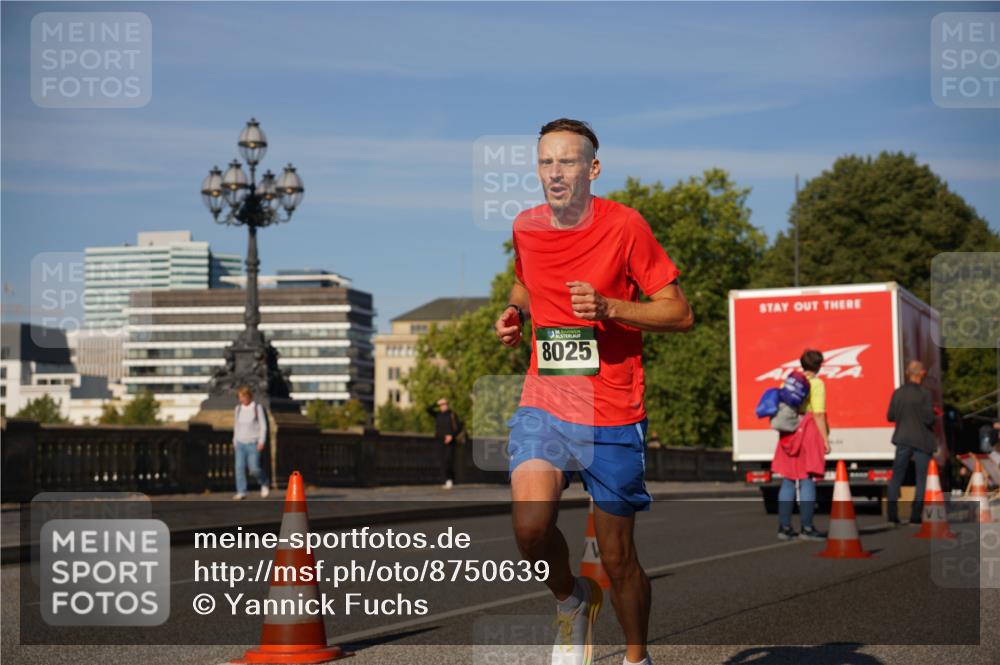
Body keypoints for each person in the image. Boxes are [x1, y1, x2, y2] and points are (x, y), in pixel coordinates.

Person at [495, 118, 693, 665]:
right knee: (530, 528)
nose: (555, 172)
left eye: (567, 161)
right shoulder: (526, 226)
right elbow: (525, 281)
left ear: (593, 169)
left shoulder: (626, 226)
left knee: (617, 557)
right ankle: (571, 599)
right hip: (545, 400)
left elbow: (679, 313)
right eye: (546, 162)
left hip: (612, 409)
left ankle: (636, 657)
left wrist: (610, 308)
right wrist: (513, 312)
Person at [770, 350, 829, 541]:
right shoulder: (817, 384)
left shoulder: (788, 382)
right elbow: (818, 414)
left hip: (789, 432)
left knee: (788, 479)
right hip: (808, 430)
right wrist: (825, 439)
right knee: (807, 478)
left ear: (802, 364)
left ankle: (784, 527)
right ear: (818, 366)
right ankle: (807, 527)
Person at [886, 360, 938, 525]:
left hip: (902, 439)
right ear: (921, 373)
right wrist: (935, 415)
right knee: (921, 478)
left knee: (897, 476)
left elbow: (890, 416)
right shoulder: (925, 394)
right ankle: (915, 515)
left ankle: (892, 514)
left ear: (908, 373)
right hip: (922, 440)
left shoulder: (898, 393)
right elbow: (929, 419)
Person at [232, 385, 269, 500]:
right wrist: (235, 440)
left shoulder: (257, 408)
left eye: (243, 397)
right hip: (240, 443)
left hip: (253, 443)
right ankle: (241, 491)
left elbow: (263, 426)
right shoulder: (238, 409)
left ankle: (264, 482)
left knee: (254, 468)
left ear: (248, 396)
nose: (241, 399)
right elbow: (236, 426)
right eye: (239, 397)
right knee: (239, 468)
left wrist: (261, 441)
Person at [434, 398, 464, 489]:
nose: (444, 406)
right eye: (441, 405)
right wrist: (436, 403)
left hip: (450, 442)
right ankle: (445, 480)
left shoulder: (452, 414)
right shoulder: (438, 414)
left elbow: (460, 426)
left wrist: (451, 436)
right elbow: (428, 409)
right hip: (440, 441)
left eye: (445, 404)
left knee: (449, 460)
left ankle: (449, 480)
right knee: (442, 461)